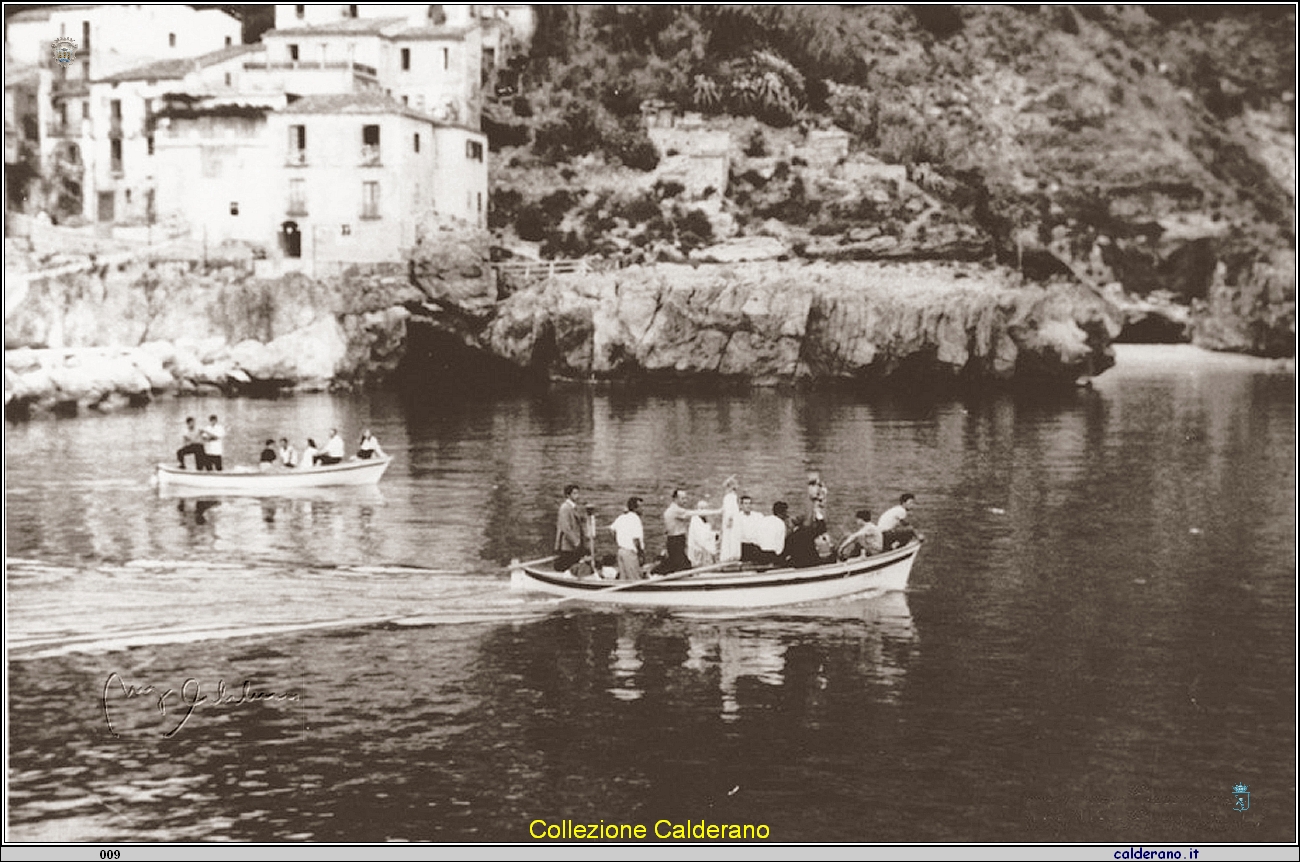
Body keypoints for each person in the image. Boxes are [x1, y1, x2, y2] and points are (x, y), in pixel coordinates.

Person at [661, 489, 720, 573]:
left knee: (678, 563)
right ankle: (654, 574)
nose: (685, 501)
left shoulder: (672, 509)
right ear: (675, 499)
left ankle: (656, 573)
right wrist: (718, 511)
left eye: (685, 498)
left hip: (676, 540)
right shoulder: (675, 510)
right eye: (683, 498)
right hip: (676, 541)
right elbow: (693, 513)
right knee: (680, 565)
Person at [609, 497, 646, 581]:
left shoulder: (621, 517)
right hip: (630, 553)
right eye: (641, 507)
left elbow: (612, 529)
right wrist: (641, 554)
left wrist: (619, 540)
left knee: (624, 579)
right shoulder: (636, 519)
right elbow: (636, 539)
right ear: (635, 508)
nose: (643, 509)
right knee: (634, 579)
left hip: (621, 551)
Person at [554, 484, 587, 572]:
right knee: (567, 566)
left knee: (574, 565)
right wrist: (576, 542)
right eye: (574, 493)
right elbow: (566, 528)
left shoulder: (574, 507)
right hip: (567, 545)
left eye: (577, 493)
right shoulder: (565, 508)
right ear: (568, 495)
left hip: (574, 544)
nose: (577, 496)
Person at [753, 501, 789, 566]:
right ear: (782, 512)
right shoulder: (781, 524)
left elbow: (755, 537)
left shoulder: (764, 520)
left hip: (758, 553)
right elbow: (780, 547)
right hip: (771, 555)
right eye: (786, 512)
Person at [687, 499, 719, 568]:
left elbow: (706, 531)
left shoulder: (704, 519)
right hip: (697, 548)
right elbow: (700, 536)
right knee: (698, 564)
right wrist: (713, 535)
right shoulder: (695, 520)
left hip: (704, 549)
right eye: (702, 508)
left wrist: (713, 534)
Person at [719, 476, 742, 562]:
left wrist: (729, 519)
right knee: (731, 536)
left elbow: (730, 510)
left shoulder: (730, 497)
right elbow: (729, 510)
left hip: (732, 520)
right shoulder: (731, 497)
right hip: (732, 520)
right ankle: (731, 555)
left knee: (730, 536)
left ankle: (730, 555)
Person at [737, 495, 765, 564]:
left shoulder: (758, 516)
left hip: (755, 545)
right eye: (746, 504)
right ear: (741, 505)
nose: (748, 506)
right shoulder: (737, 517)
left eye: (750, 503)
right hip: (743, 546)